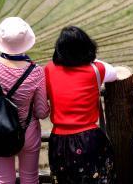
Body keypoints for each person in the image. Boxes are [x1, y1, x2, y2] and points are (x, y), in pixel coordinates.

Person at [0, 17, 49, 184]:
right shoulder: (36, 72)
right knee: (30, 179)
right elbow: (41, 112)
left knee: (4, 180)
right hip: (27, 131)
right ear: (27, 42)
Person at [45, 26, 118, 183]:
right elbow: (114, 73)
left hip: (59, 141)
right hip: (89, 139)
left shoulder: (49, 69)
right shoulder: (96, 69)